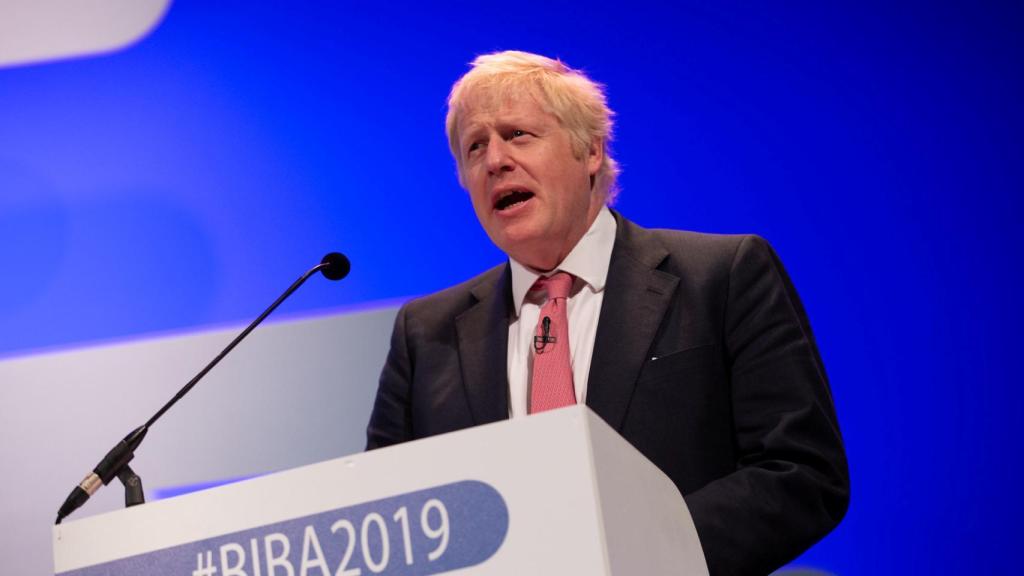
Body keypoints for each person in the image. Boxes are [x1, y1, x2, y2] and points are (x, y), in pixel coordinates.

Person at [366, 50, 849, 576]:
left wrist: (638, 552)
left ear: (590, 150)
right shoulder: (425, 333)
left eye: (518, 135)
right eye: (474, 147)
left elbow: (801, 471)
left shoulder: (722, 277)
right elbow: (390, 524)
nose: (494, 160)